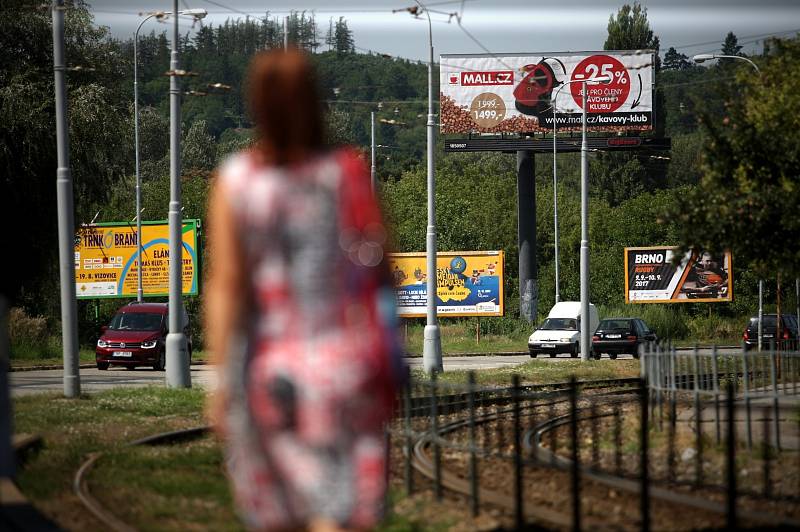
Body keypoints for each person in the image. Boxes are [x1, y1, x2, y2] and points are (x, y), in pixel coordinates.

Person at [204, 48, 405, 532]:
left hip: (273, 375)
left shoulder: (236, 182)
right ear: (317, 103)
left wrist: (220, 382)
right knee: (336, 514)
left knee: (278, 513)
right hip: (346, 368)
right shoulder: (346, 172)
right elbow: (383, 273)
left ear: (257, 106)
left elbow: (228, 286)